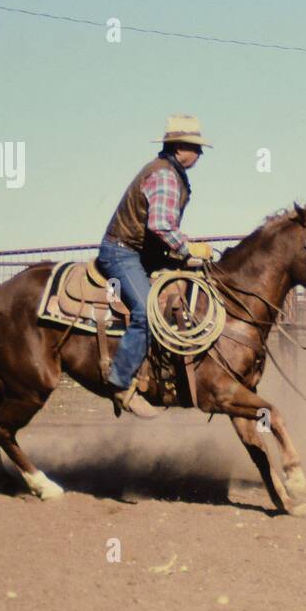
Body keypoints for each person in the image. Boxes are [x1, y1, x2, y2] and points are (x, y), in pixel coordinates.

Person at [97, 114, 214, 418]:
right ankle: (121, 383)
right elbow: (161, 225)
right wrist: (188, 248)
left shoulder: (169, 172)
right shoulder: (165, 175)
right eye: (195, 147)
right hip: (123, 252)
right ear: (179, 147)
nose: (200, 154)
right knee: (147, 312)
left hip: (140, 252)